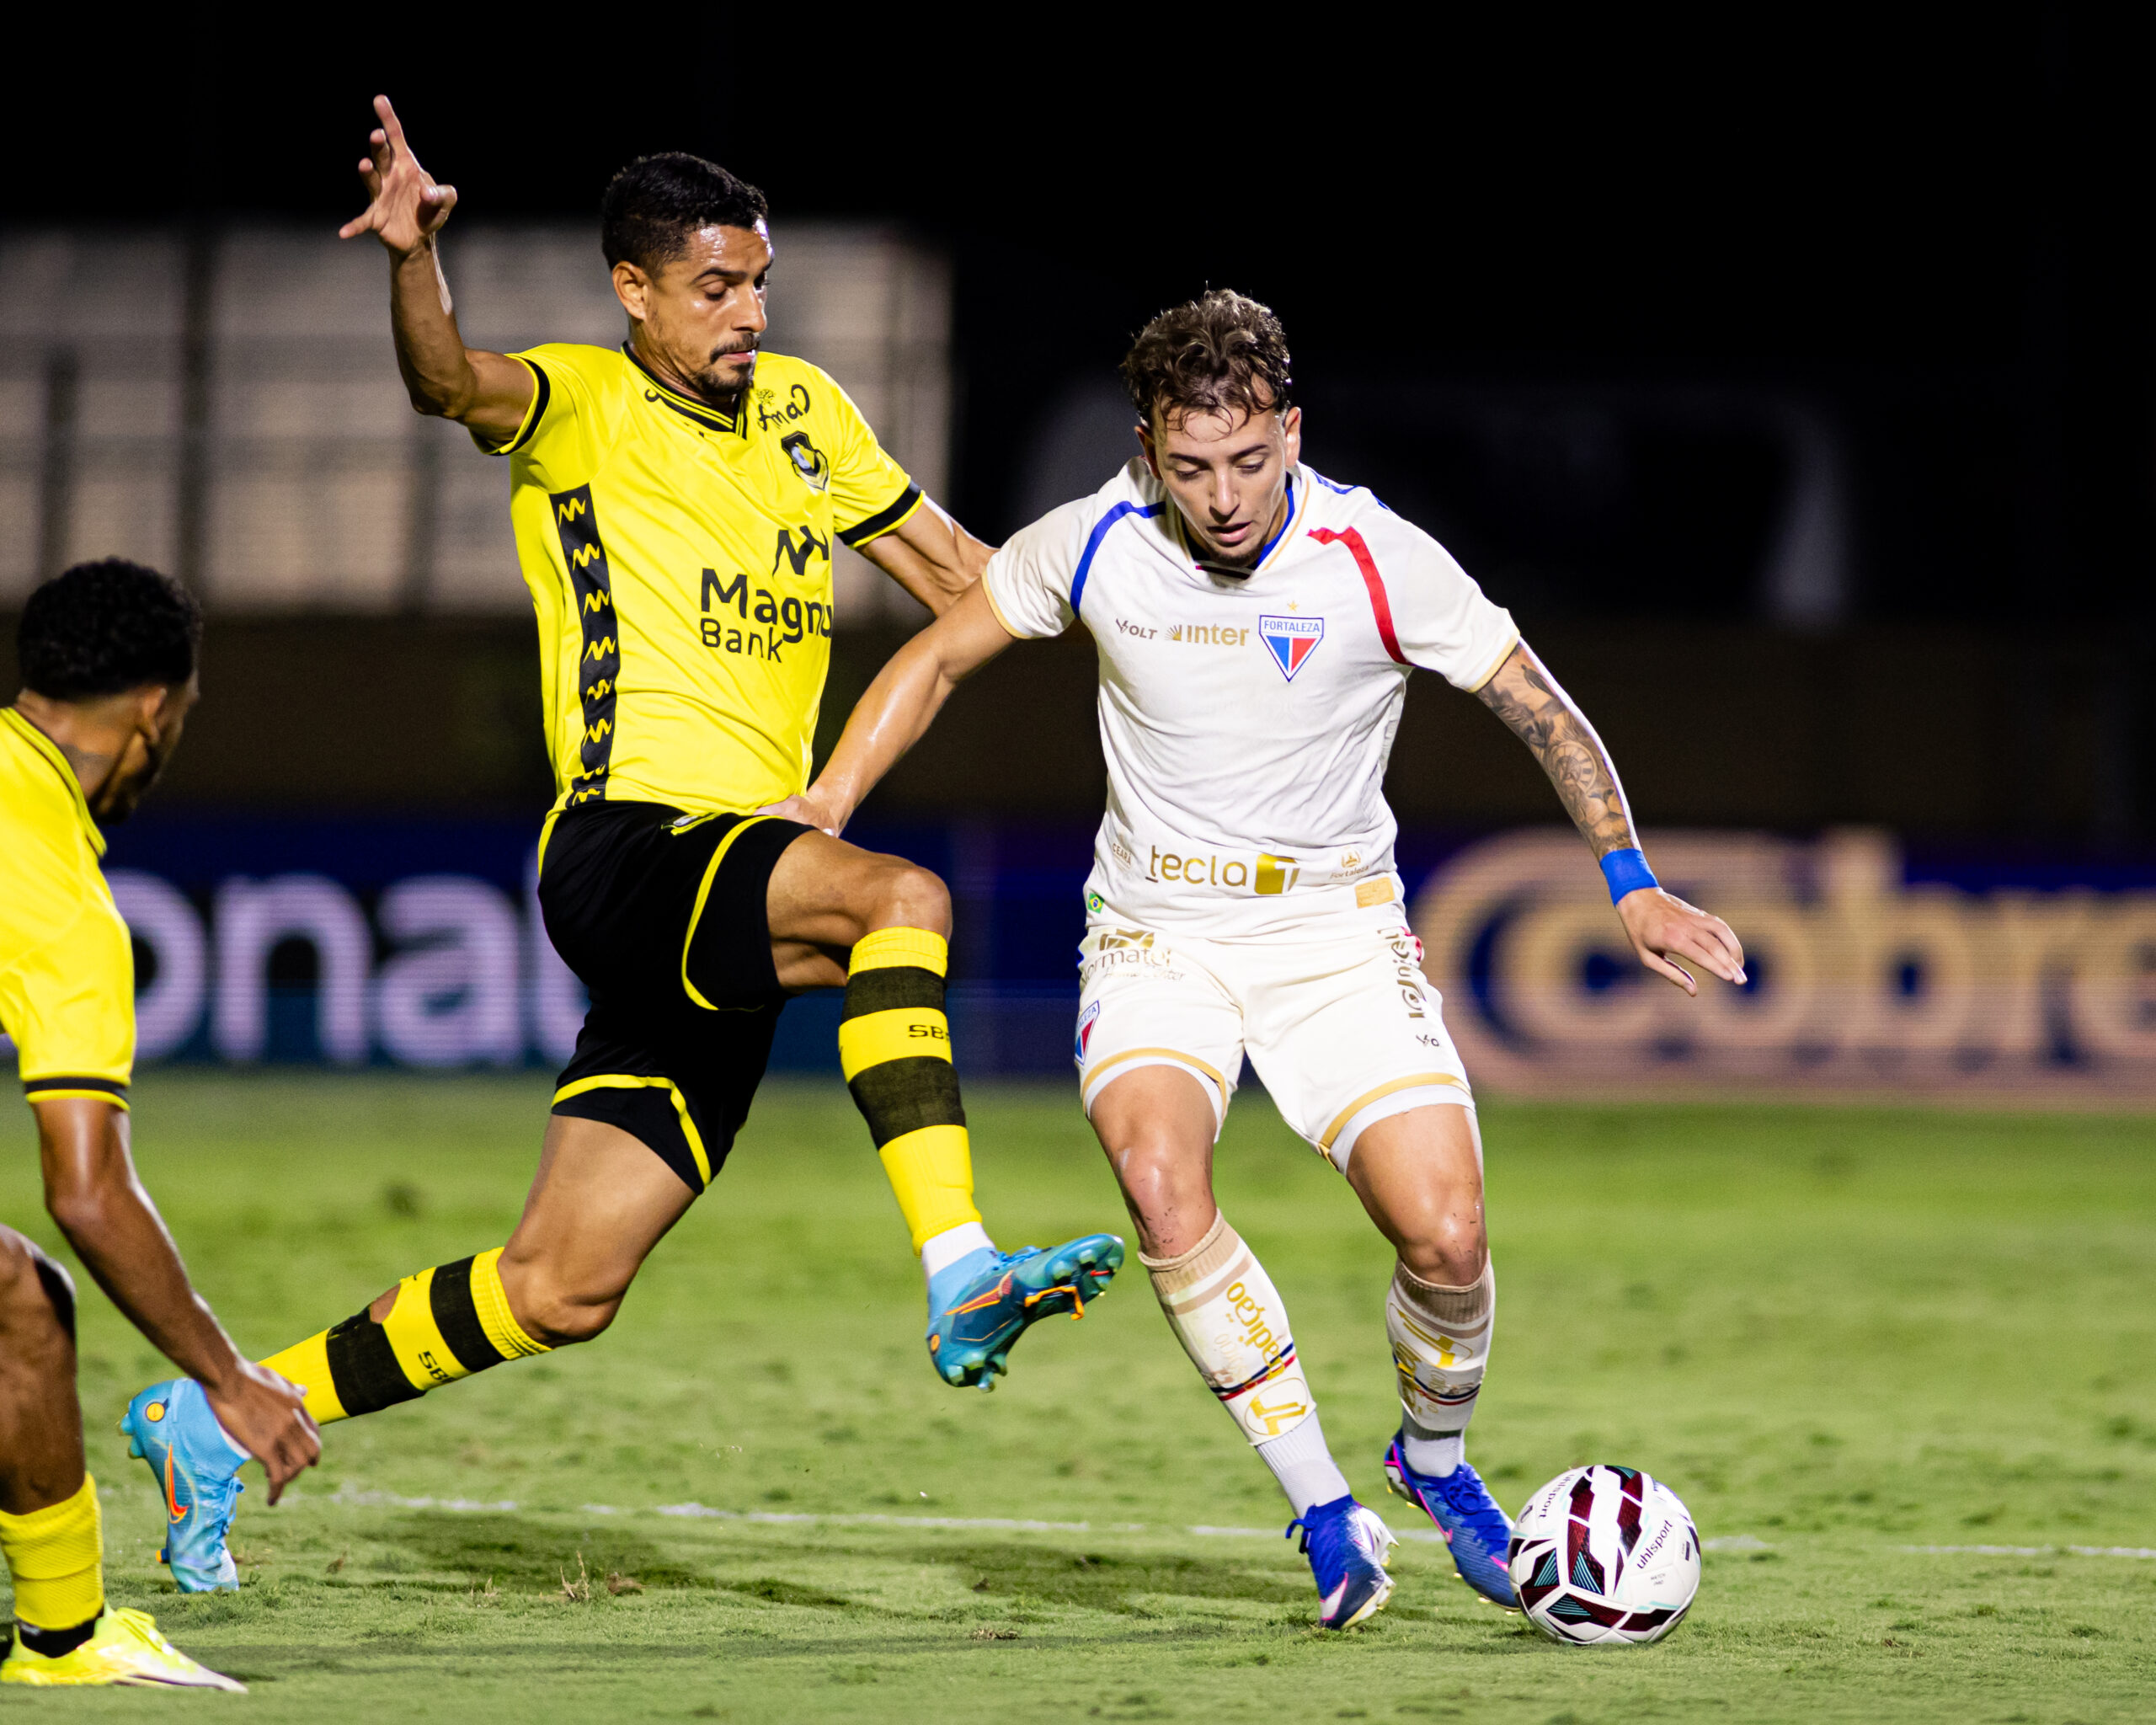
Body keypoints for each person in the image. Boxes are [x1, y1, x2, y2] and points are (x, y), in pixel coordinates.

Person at [124, 96, 1121, 1593]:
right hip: (634, 844)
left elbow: (965, 579)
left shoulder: (805, 413)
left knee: (560, 1284)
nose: (750, 312)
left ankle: (220, 1417)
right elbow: (447, 380)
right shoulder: (579, 400)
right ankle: (960, 1264)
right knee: (896, 898)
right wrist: (413, 258)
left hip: (721, 889)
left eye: (760, 280)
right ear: (633, 289)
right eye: (716, 287)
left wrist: (1155, 581)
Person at [764, 291, 1748, 1627]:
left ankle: (1433, 1463)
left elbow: (1539, 705)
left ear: (1292, 431)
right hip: (1155, 937)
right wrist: (825, 806)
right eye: (1189, 467)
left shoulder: (1377, 554)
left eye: (1247, 461)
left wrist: (1628, 878)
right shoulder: (1096, 539)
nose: (1222, 499)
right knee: (1163, 1190)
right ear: (1148, 449)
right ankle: (1325, 1509)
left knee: (1447, 1236)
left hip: (1335, 938)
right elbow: (940, 655)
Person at [0, 560, 321, 1687]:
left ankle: (62, 1637)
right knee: (20, 1299)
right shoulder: (65, 904)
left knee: (11, 1297)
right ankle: (65, 1645)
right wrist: (228, 1378)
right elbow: (87, 1193)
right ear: (155, 707)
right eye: (187, 710)